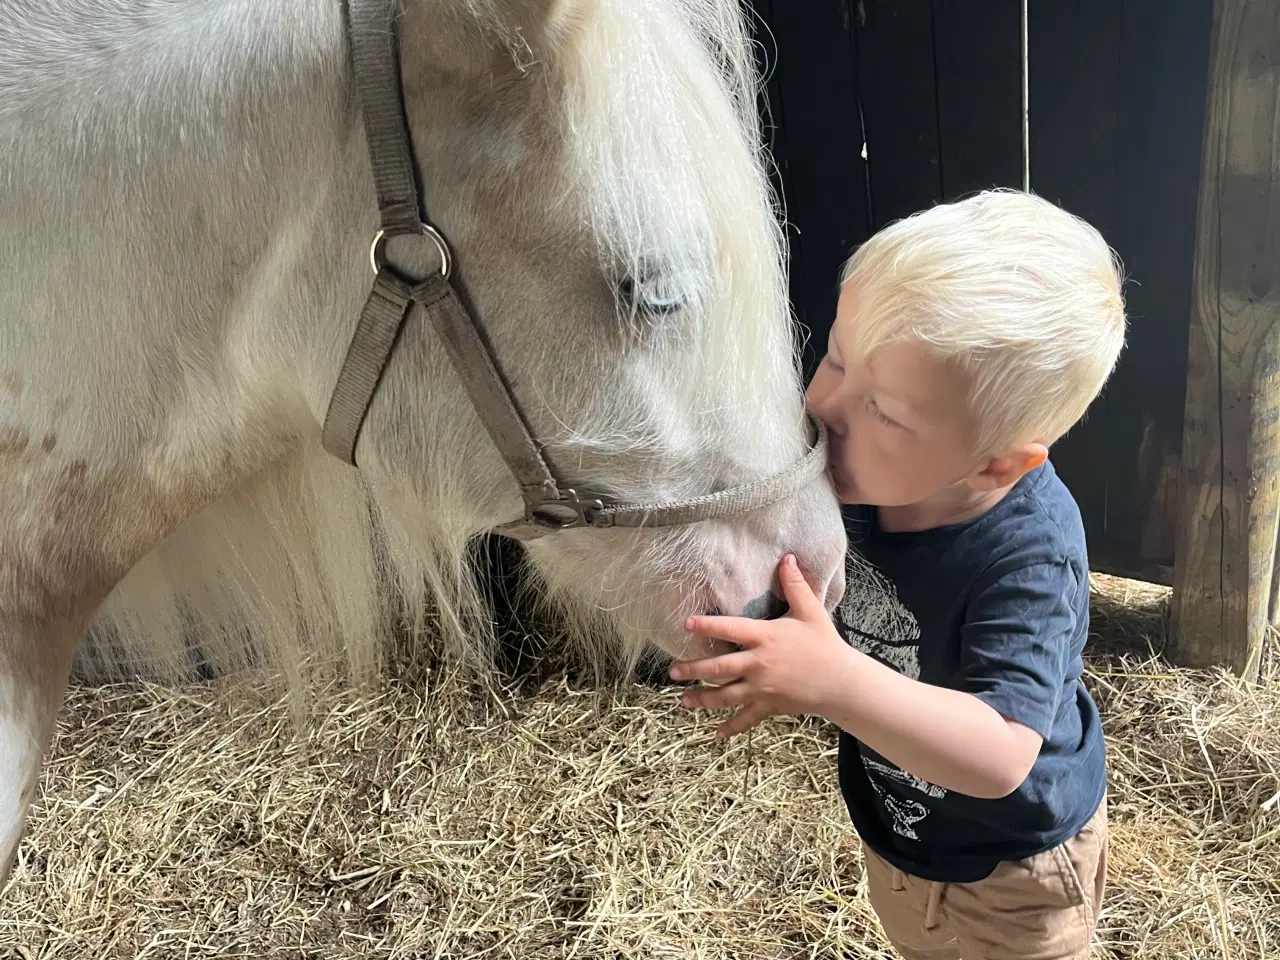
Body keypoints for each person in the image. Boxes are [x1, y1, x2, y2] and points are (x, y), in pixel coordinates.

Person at [671, 188, 1127, 959]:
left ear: (995, 463)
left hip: (1014, 870)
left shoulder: (1030, 553)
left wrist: (832, 682)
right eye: (835, 358)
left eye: (884, 410)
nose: (826, 405)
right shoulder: (857, 473)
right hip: (900, 829)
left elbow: (1002, 754)